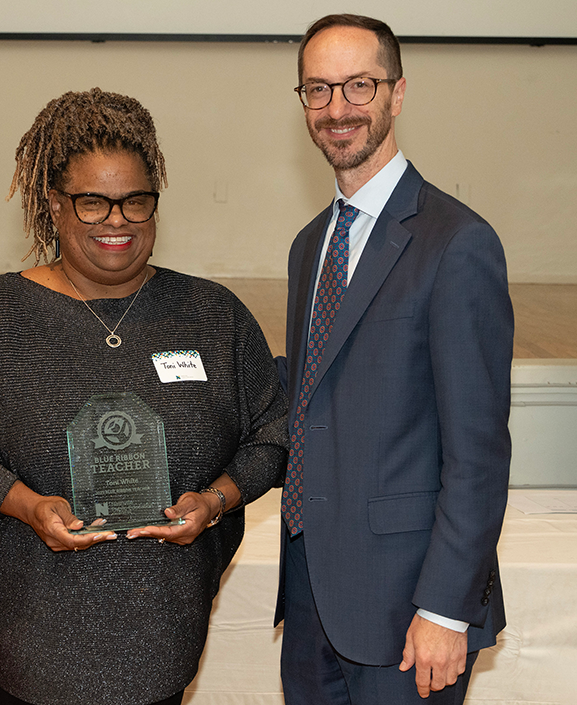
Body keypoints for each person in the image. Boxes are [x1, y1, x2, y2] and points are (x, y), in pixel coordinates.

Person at [0, 88, 288, 705]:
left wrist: (217, 500)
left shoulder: (214, 317)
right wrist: (26, 505)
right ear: (54, 206)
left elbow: (273, 433)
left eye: (136, 201)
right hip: (32, 639)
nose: (118, 220)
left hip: (158, 634)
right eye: (93, 203)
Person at [274, 14, 513, 704]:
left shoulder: (457, 243)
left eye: (358, 85)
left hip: (410, 613)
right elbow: (311, 403)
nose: (337, 109)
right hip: (313, 600)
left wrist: (445, 609)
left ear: (397, 93)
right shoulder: (309, 244)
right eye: (317, 90)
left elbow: (479, 451)